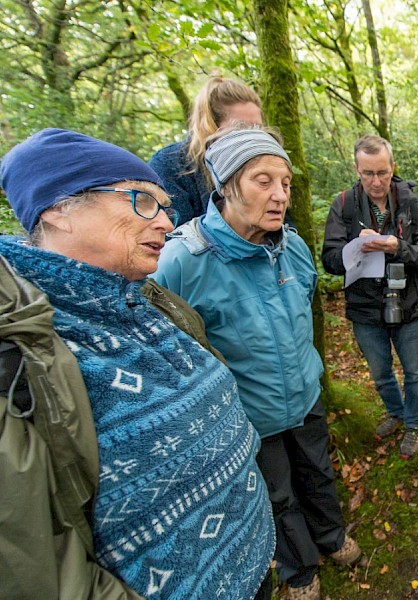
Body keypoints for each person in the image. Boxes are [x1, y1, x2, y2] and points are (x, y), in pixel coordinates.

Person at [0, 128, 275, 599]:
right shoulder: (21, 354)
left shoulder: (155, 303)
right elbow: (34, 567)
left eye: (165, 207)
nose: (166, 223)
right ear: (57, 210)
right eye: (143, 201)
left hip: (254, 571)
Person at [154, 126, 360, 600]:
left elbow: (304, 311)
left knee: (318, 473)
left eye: (284, 183)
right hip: (248, 414)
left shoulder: (294, 248)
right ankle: (300, 571)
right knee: (276, 495)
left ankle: (331, 537)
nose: (279, 195)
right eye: (261, 181)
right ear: (226, 185)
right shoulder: (182, 263)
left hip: (304, 395)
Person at [321, 135, 418, 459]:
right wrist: (353, 248)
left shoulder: (412, 203)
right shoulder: (343, 204)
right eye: (368, 173)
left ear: (393, 167)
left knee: (414, 372)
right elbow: (329, 259)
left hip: (408, 304)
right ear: (357, 169)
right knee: (380, 371)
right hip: (364, 308)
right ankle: (396, 412)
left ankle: (413, 424)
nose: (376, 181)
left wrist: (395, 246)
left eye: (383, 173)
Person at [148, 76, 262, 223]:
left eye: (258, 129)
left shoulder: (264, 167)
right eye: (242, 128)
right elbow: (173, 237)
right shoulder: (169, 165)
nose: (254, 137)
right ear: (211, 126)